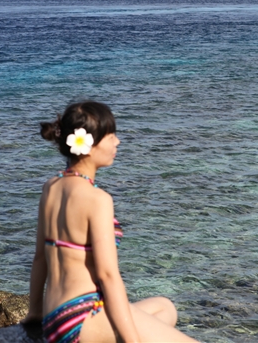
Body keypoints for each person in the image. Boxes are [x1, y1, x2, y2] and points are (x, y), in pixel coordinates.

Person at [22, 101, 198, 343]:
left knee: (164, 308)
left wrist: (35, 313)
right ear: (89, 144)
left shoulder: (51, 187)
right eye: (111, 135)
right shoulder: (97, 199)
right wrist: (132, 340)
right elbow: (108, 276)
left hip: (55, 318)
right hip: (81, 317)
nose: (118, 142)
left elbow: (40, 257)